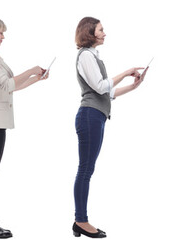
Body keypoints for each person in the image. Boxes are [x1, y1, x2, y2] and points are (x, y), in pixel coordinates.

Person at [0, 17, 49, 239]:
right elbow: (7, 83)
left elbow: (10, 88)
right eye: (0, 33)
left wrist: (37, 78)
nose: (3, 37)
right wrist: (33, 68)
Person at [71, 17, 145, 238]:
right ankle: (81, 221)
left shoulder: (93, 56)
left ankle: (80, 220)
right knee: (85, 170)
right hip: (89, 116)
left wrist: (133, 86)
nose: (105, 33)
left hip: (97, 116)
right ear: (90, 32)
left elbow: (107, 93)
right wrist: (126, 72)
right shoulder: (85, 55)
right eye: (101, 30)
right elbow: (101, 86)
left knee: (87, 169)